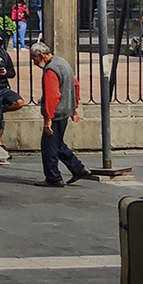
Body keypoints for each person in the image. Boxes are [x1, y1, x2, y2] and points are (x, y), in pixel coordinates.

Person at [30, 41, 95, 187]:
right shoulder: (63, 63)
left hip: (56, 113)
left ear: (41, 56)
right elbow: (74, 85)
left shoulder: (51, 70)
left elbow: (53, 95)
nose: (34, 63)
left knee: (49, 147)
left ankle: (53, 177)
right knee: (57, 143)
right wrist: (73, 108)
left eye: (34, 59)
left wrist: (48, 118)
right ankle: (79, 168)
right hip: (65, 110)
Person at [0, 32, 24, 153]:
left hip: (3, 88)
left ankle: (0, 110)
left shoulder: (4, 55)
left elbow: (12, 73)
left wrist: (5, 73)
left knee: (19, 102)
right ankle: (0, 145)